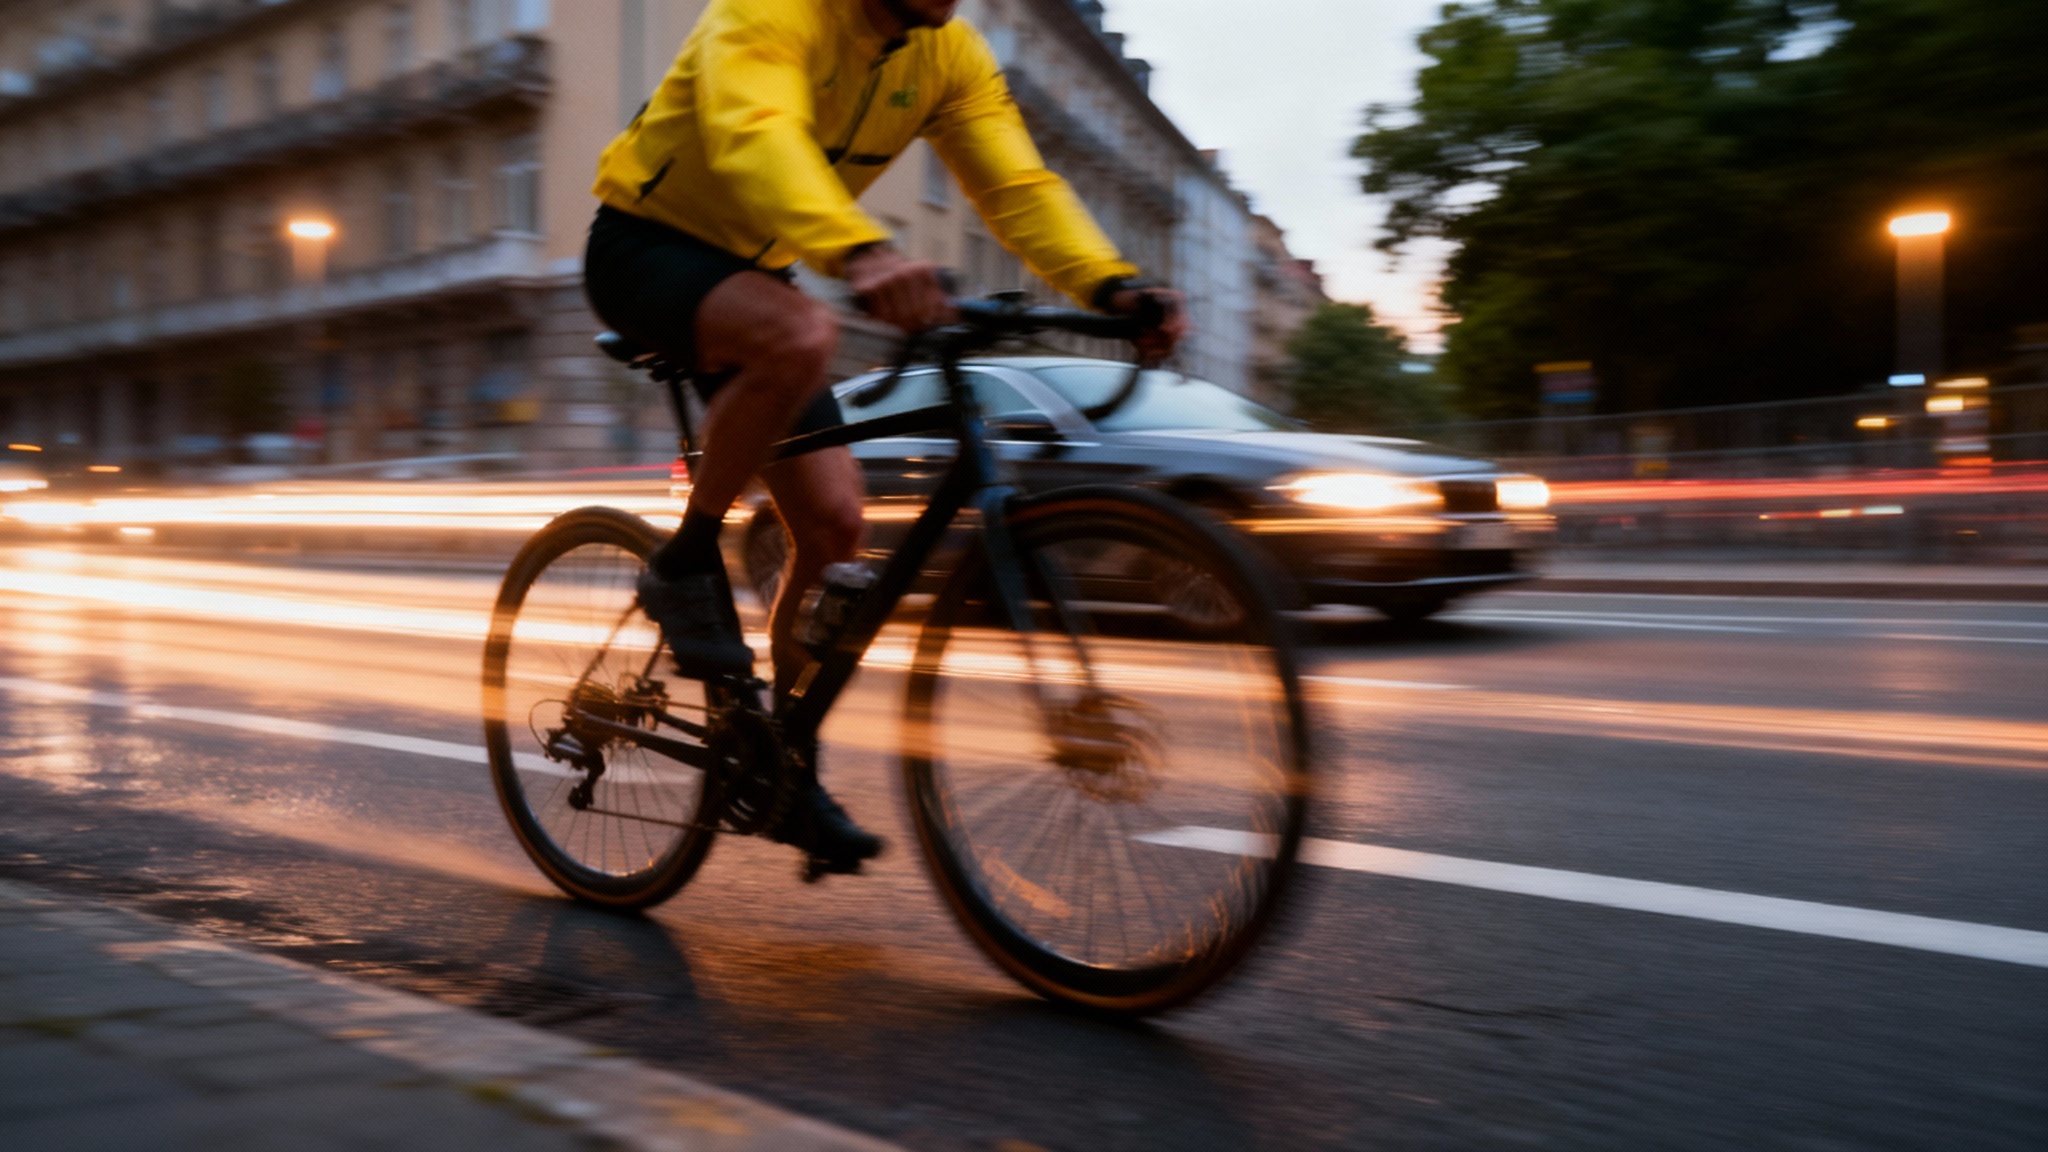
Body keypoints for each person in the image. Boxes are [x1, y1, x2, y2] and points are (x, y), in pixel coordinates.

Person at [583, 0, 1186, 877]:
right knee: (802, 333)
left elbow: (1017, 186)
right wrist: (861, 254)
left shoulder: (948, 54)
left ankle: (785, 764)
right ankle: (685, 562)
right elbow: (758, 129)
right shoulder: (771, 10)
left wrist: (1114, 289)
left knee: (833, 535)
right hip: (644, 247)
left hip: (760, 269)